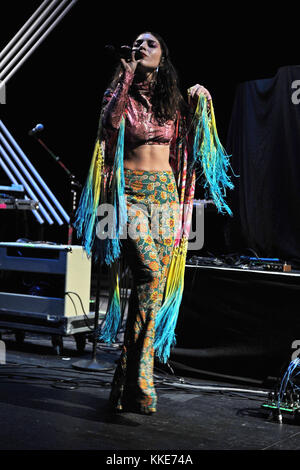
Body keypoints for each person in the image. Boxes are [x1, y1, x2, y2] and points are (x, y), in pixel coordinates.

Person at [74, 31, 234, 415]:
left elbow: (196, 141)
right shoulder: (119, 95)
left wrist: (203, 98)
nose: (141, 47)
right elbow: (109, 127)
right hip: (129, 198)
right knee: (149, 273)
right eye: (137, 43)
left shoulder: (175, 102)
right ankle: (142, 378)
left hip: (165, 197)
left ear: (163, 57)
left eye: (150, 44)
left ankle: (126, 385)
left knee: (151, 293)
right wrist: (126, 76)